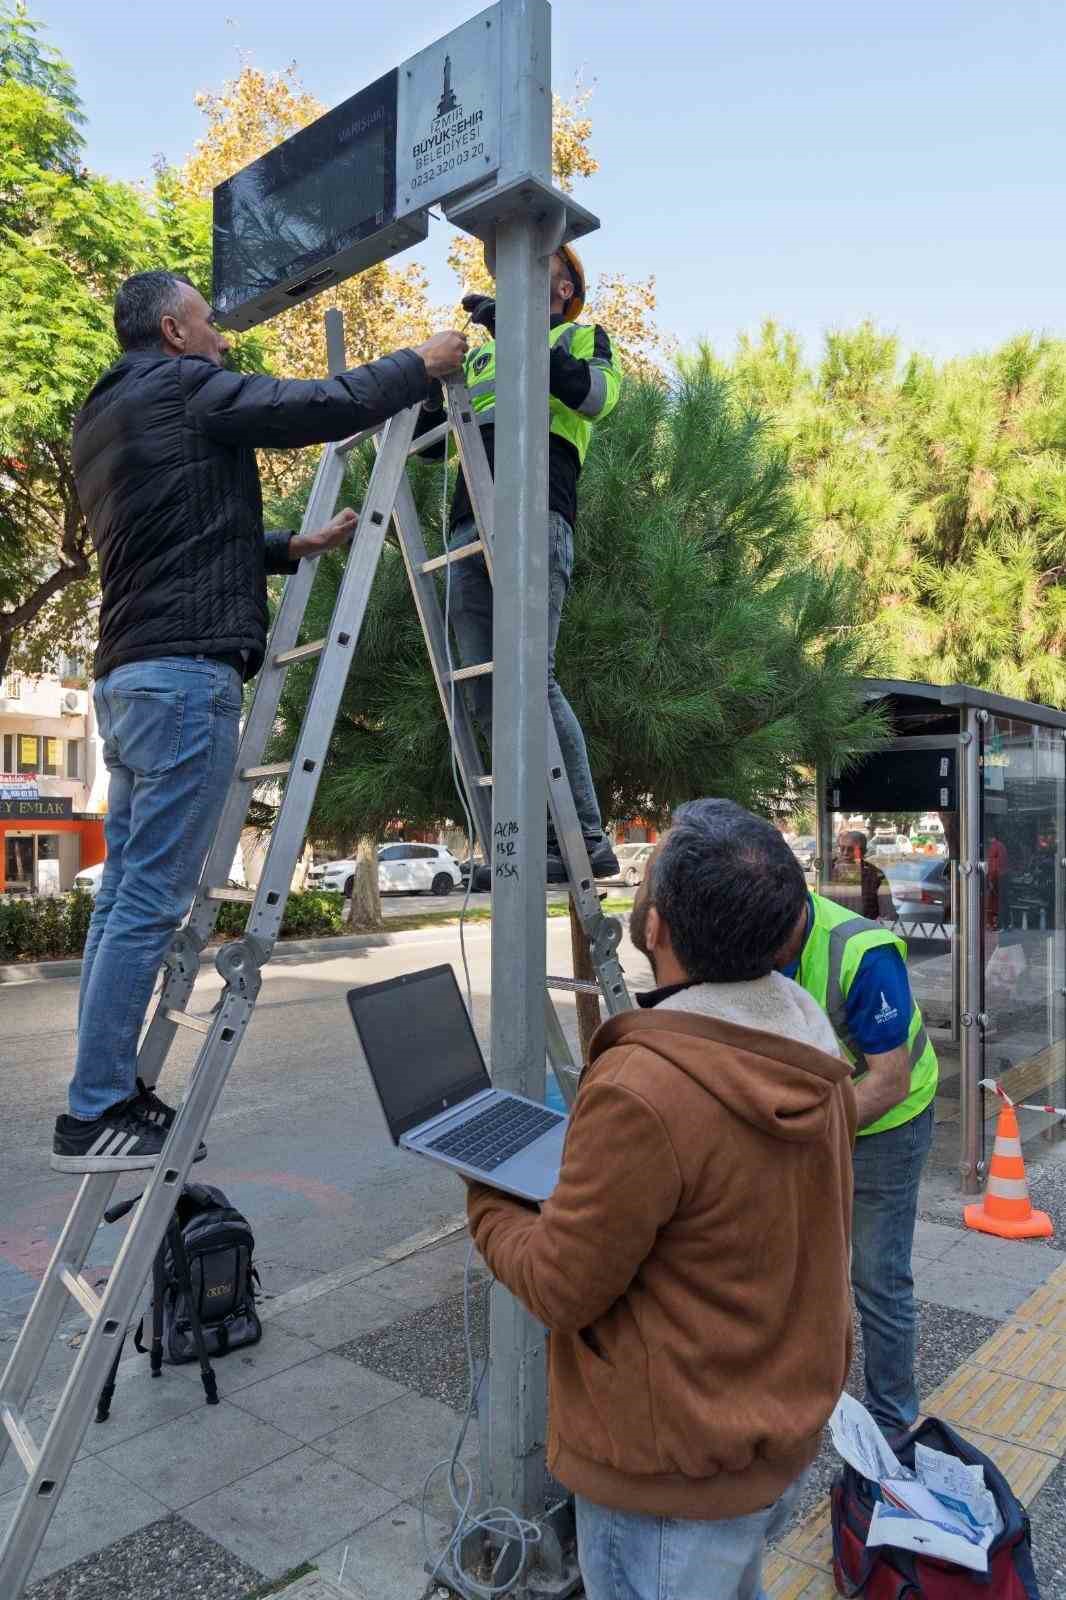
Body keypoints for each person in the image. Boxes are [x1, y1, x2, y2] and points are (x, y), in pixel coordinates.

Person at [53, 270, 467, 1174]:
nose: (223, 339)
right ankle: (95, 1109)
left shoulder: (105, 417)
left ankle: (101, 1091)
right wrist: (420, 365)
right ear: (172, 329)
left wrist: (290, 547)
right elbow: (312, 405)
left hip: (129, 680)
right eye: (209, 323)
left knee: (124, 898)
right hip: (184, 679)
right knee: (152, 902)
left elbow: (176, 534)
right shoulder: (184, 385)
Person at [467, 799, 856, 1600]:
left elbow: (561, 1287)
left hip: (668, 1486)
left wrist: (486, 1191)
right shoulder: (807, 1036)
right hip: (765, 1444)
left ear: (654, 930)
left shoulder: (648, 1085)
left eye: (647, 877)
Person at [418, 244, 623, 881]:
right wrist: (424, 375)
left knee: (532, 677)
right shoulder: (479, 352)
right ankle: (518, 842)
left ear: (564, 290)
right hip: (469, 527)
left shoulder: (582, 337)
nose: (517, 283)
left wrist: (514, 328)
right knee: (482, 686)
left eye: (537, 274)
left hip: (536, 513)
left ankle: (583, 838)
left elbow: (592, 397)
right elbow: (428, 445)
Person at [775, 852, 939, 1439]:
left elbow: (889, 1080)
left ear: (794, 912)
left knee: (877, 1275)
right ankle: (802, 1398)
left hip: (889, 1123)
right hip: (818, 1115)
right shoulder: (751, 938)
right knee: (804, 1264)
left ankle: (894, 1422)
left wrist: (806, 1131)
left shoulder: (860, 952)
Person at [834, 829, 889, 921]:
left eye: (851, 849)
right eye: (842, 848)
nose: (845, 853)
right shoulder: (827, 872)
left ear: (863, 852)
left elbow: (887, 915)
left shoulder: (876, 876)